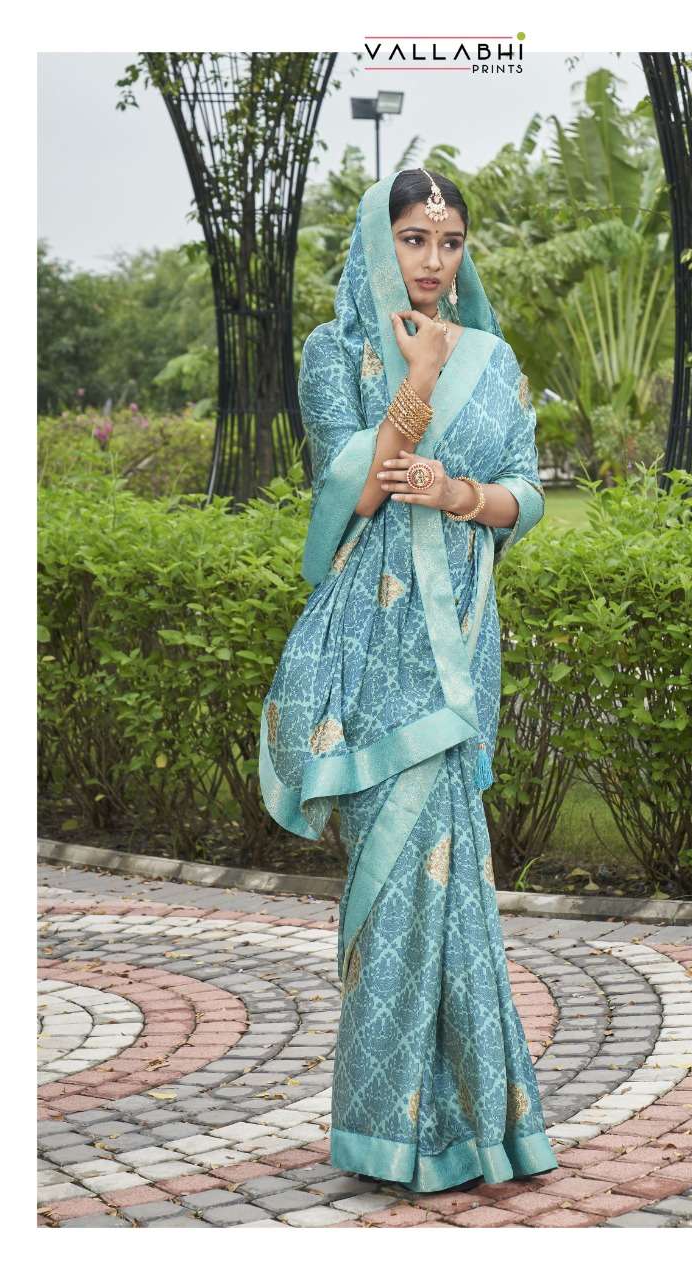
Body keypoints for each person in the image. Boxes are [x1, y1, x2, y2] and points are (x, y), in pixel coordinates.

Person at [259, 167, 557, 1194]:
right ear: (378, 244)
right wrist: (419, 373)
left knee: (453, 887)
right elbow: (352, 485)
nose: (434, 259)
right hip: (370, 652)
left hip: (455, 648)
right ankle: (389, 1130)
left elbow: (526, 492)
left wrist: (459, 491)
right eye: (415, 238)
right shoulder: (335, 351)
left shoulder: (494, 356)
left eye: (451, 240)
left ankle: (472, 1128)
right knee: (392, 887)